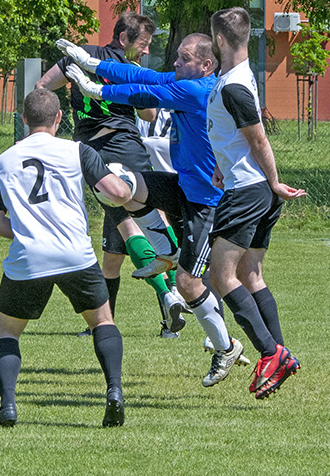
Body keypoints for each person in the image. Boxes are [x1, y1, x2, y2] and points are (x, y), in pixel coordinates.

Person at [60, 33, 251, 387]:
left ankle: (226, 348)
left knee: (189, 283)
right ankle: (166, 251)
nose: (175, 62)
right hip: (184, 187)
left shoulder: (196, 90)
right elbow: (142, 75)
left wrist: (97, 91)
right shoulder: (187, 81)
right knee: (120, 186)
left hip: (206, 203)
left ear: (206, 65)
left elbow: (142, 93)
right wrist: (92, 64)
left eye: (184, 58)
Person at [0, 89, 130, 428]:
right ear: (59, 118)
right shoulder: (78, 151)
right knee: (102, 322)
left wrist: (28, 231)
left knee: (7, 333)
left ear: (24, 119)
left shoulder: (2, 161)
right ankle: (114, 391)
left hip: (29, 257)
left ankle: (7, 407)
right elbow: (119, 193)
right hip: (76, 254)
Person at [36, 11, 185, 338]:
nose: (146, 50)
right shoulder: (130, 70)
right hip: (127, 146)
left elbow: (42, 87)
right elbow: (149, 113)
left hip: (91, 152)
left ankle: (166, 296)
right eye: (143, 44)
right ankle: (172, 294)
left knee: (126, 226)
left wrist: (57, 115)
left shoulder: (80, 56)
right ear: (123, 39)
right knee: (151, 217)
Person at [206, 7, 306, 400]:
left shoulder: (233, 85)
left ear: (219, 40)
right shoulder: (238, 76)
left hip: (248, 191)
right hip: (252, 187)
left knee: (221, 275)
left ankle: (270, 353)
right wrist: (223, 163)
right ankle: (281, 354)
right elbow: (234, 135)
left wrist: (275, 182)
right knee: (251, 274)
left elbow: (258, 139)